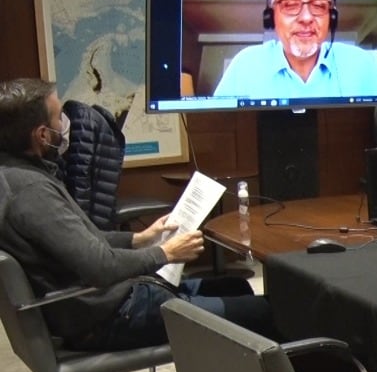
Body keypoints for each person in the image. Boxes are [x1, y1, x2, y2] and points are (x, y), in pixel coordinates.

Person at [0, 77, 275, 352]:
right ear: (43, 135)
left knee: (235, 286)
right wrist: (166, 253)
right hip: (111, 316)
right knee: (266, 312)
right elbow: (101, 267)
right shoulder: (32, 193)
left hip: (109, 302)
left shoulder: (19, 176)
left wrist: (141, 238)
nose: (65, 124)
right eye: (59, 118)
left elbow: (84, 242)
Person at [213, 0, 377, 99]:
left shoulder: (360, 64)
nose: (306, 17)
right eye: (290, 5)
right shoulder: (245, 65)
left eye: (319, 5)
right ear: (271, 16)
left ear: (332, 17)